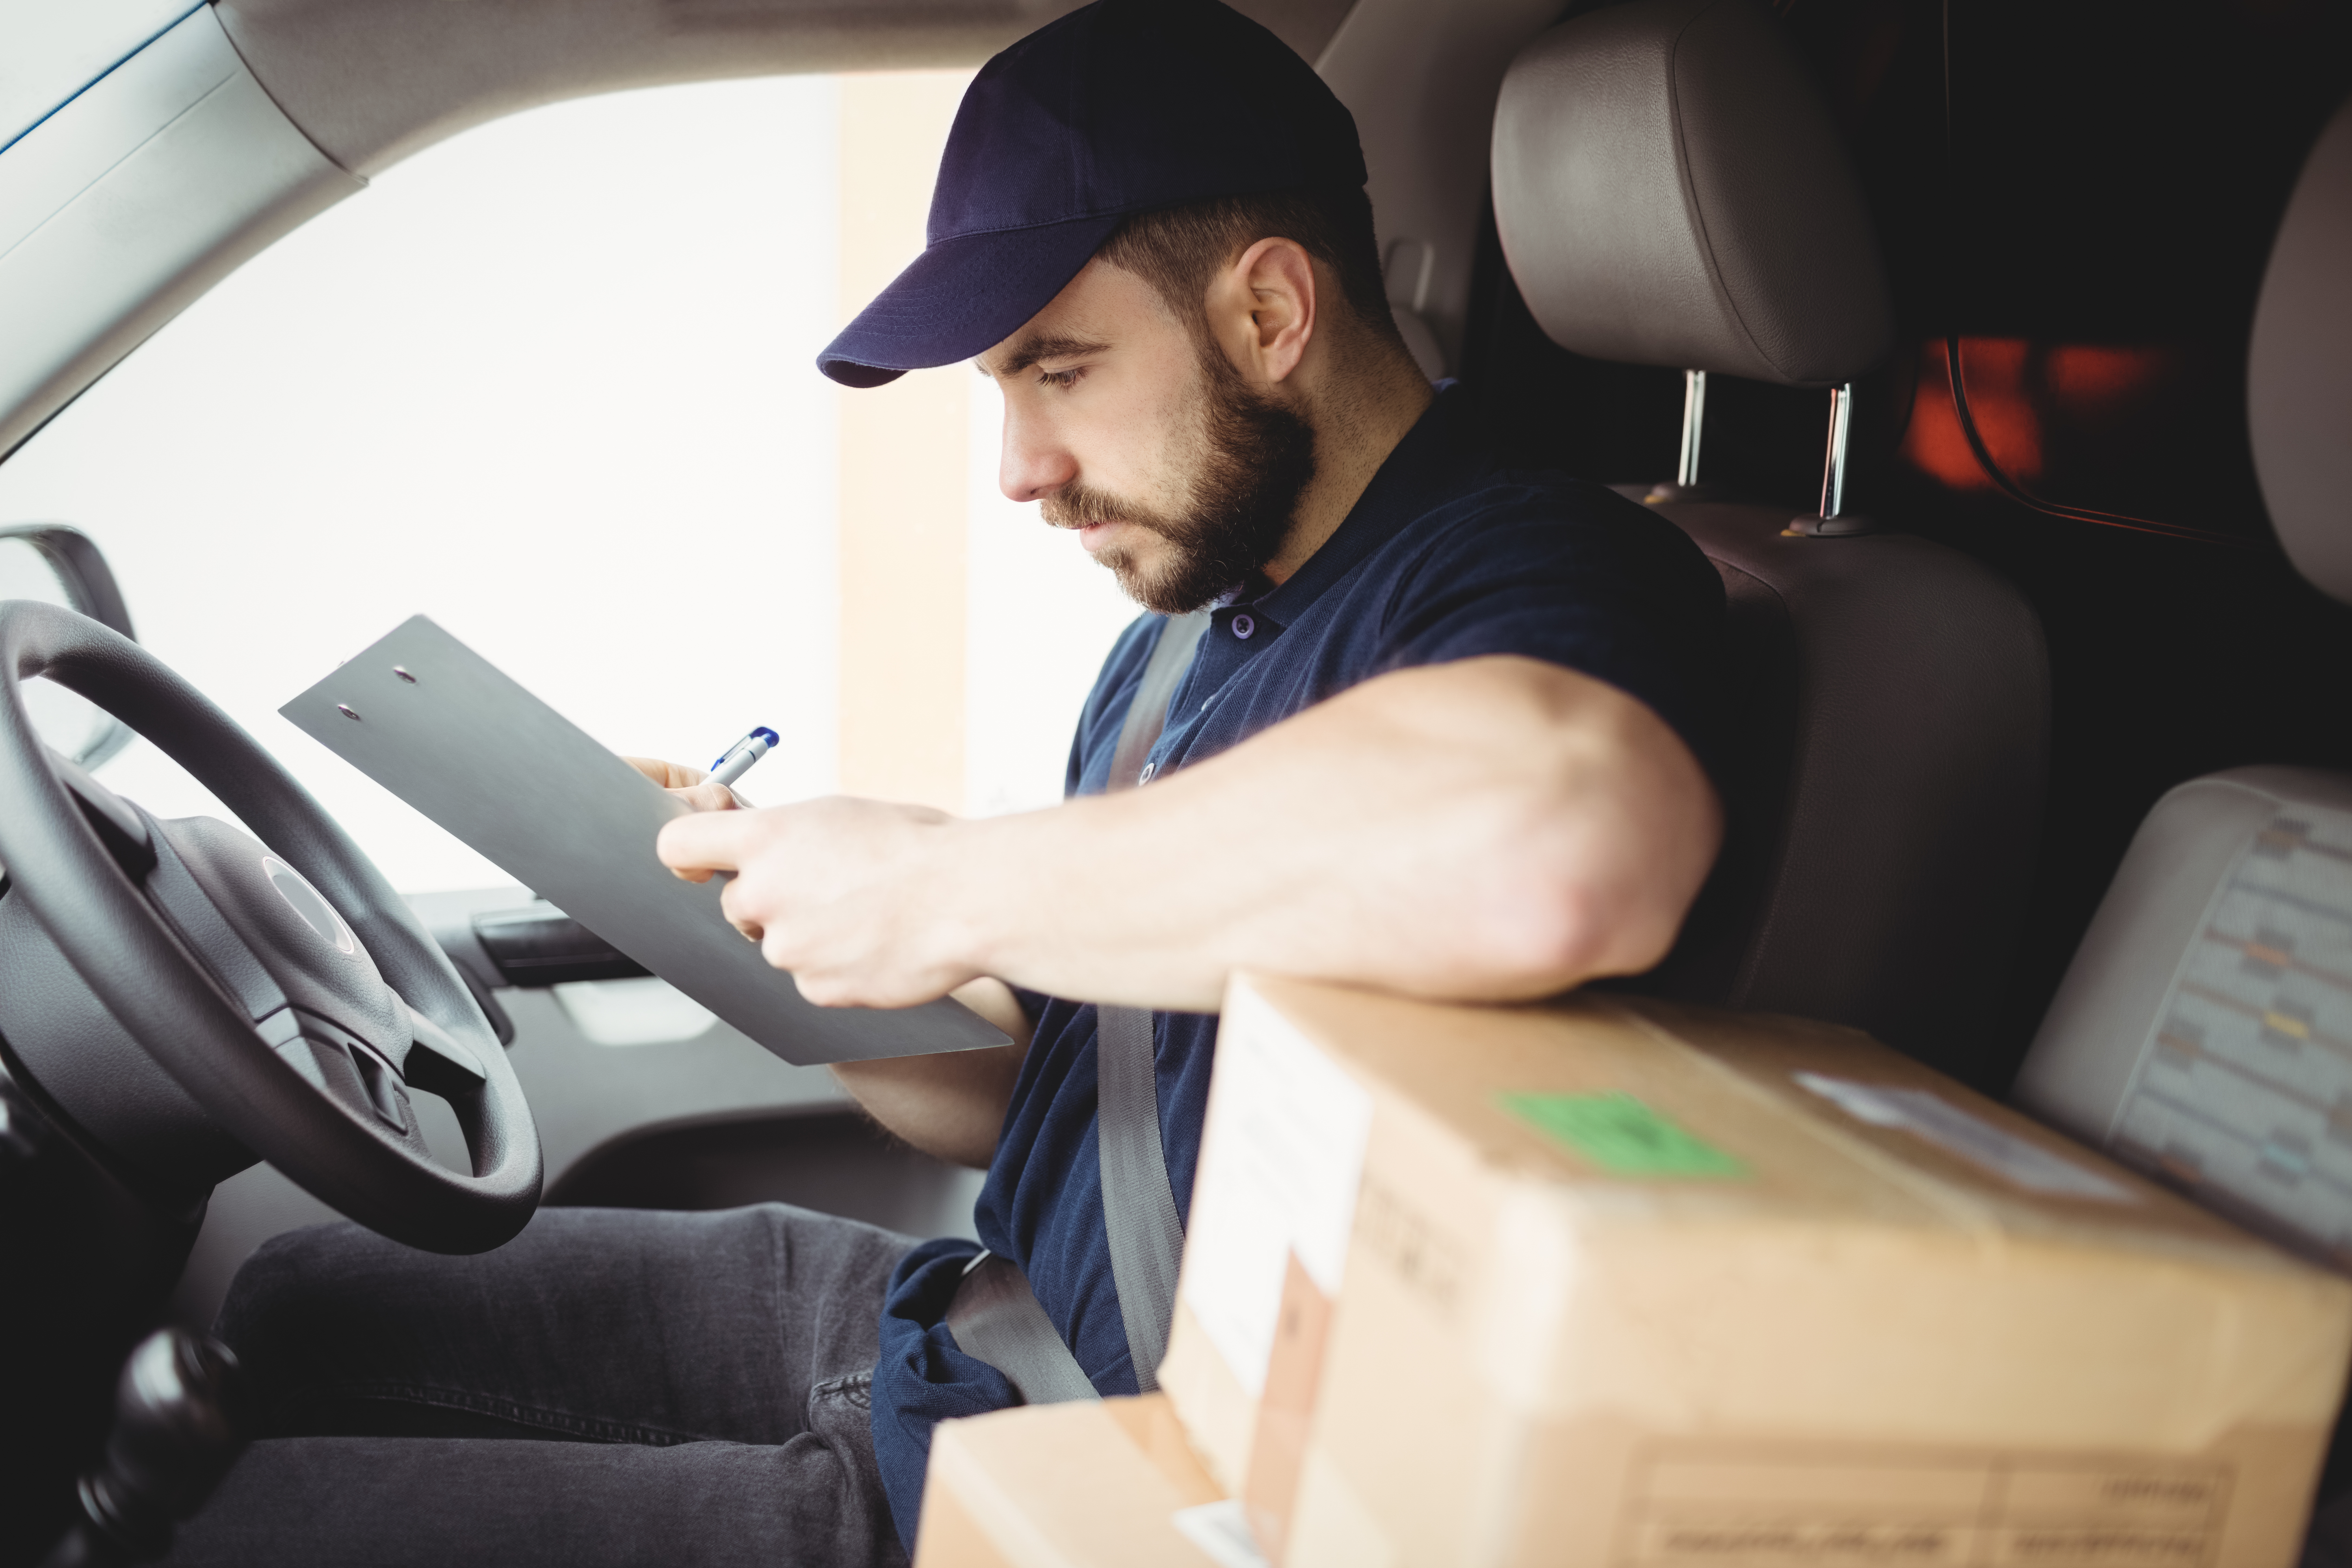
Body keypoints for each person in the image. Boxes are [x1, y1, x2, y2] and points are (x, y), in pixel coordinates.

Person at [168, 1, 1724, 1563]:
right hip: (971, 1329)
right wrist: (739, 910)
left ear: (1268, 313)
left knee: (253, 1530)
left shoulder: (1526, 567)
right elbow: (1043, 1090)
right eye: (1003, 387)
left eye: (1061, 370)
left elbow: (1560, 836)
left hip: (1126, 1477)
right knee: (300, 1295)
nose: (1019, 468)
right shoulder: (1187, 632)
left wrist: (939, 879)